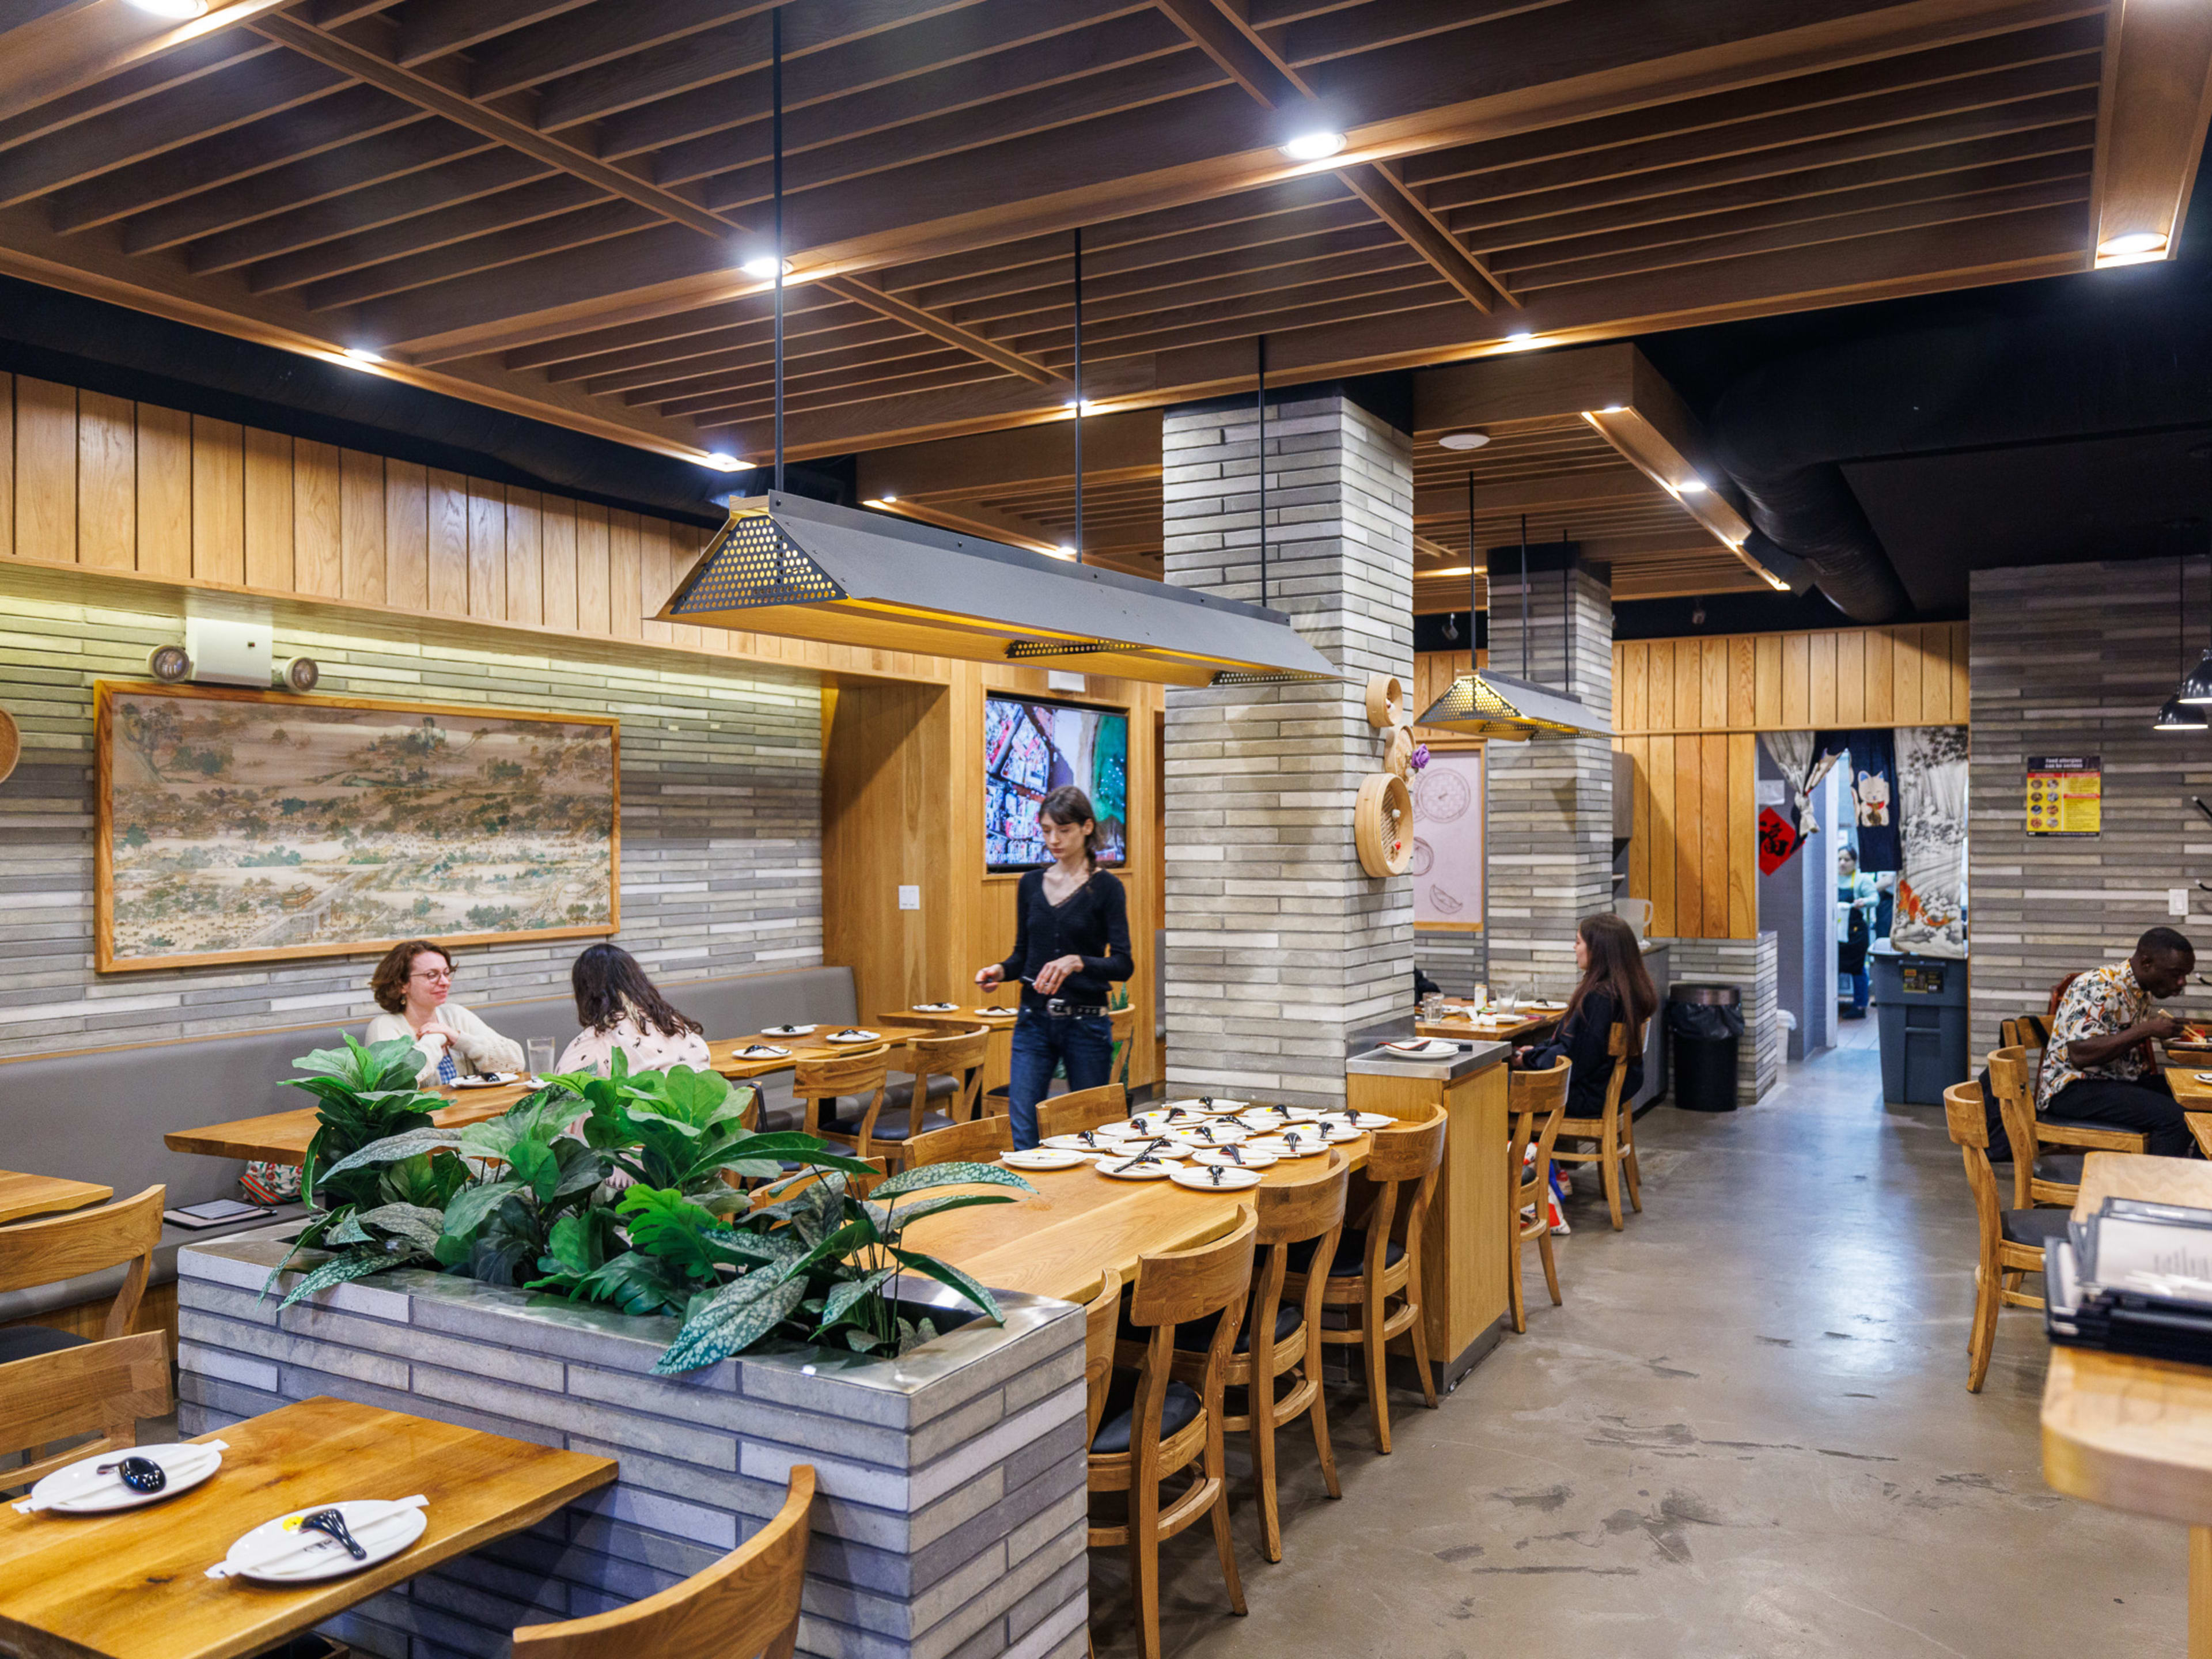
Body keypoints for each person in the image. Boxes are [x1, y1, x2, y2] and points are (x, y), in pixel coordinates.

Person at [975, 784, 1132, 1149]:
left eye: (1063, 830)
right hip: (1033, 1021)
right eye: (1047, 831)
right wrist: (999, 971)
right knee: (1024, 1131)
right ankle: (1029, 1206)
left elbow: (1123, 965)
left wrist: (1078, 962)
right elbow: (1021, 956)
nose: (1054, 840)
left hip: (1087, 1023)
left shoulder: (1107, 888)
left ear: (1087, 828)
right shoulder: (1030, 884)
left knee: (1090, 1131)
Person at [2038, 927, 2198, 1157]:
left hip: (2113, 1082)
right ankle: (2153, 1192)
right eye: (2176, 974)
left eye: (2186, 975)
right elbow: (2080, 1055)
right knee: (2176, 1120)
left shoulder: (2140, 991)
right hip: (2072, 1088)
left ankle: (2202, 1183)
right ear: (2146, 963)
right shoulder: (2098, 986)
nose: (2182, 982)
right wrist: (2146, 1030)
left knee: (2198, 1101)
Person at [1510, 912, 1658, 1122]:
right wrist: (1536, 1053)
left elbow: (1573, 1059)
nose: (1574, 948)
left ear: (1598, 950)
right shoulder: (1626, 989)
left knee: (1489, 1088)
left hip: (1585, 1095)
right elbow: (1577, 1047)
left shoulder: (1601, 997)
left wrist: (1527, 1059)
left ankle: (1521, 1154)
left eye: (1578, 942)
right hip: (1602, 1090)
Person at [365, 939, 524, 1086]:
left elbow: (516, 1062)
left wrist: (459, 1038)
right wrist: (436, 1038)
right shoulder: (384, 1027)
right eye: (432, 975)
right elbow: (393, 1084)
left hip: (472, 1113)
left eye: (446, 973)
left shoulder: (456, 1014)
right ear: (402, 984)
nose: (445, 982)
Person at [555, 943, 713, 1076]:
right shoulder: (676, 1025)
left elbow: (557, 1101)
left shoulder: (597, 1041)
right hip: (695, 1112)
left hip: (639, 1113)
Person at [1836, 846, 1878, 1018]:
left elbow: (1875, 899)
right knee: (1834, 967)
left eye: (1847, 860)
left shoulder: (1862, 879)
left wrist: (1864, 901)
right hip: (1837, 932)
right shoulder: (1832, 878)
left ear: (1855, 862)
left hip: (1855, 933)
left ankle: (1860, 1006)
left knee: (1858, 968)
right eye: (1839, 859)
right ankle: (1832, 1003)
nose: (1842, 863)